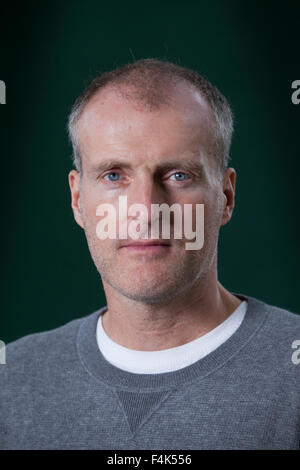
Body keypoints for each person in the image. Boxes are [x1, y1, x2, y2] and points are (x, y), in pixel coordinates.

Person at [0, 58, 299, 450]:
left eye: (178, 175)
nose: (144, 210)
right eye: (113, 176)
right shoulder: (12, 383)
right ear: (77, 199)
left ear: (225, 197)